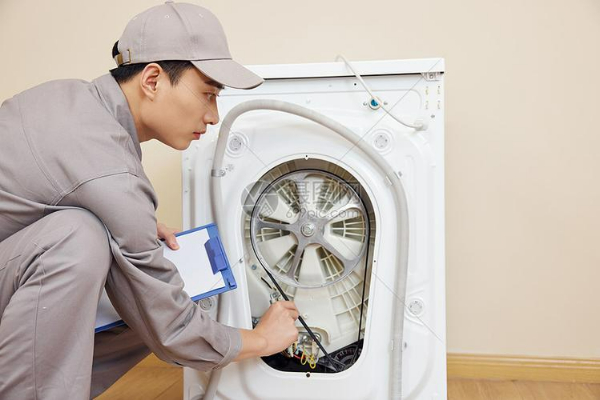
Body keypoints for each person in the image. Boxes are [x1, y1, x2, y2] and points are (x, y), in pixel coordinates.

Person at [0, 2, 299, 399]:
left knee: (131, 272)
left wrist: (124, 225)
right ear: (153, 80)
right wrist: (261, 340)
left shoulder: (69, 99)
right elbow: (169, 323)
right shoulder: (109, 170)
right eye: (208, 94)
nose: (213, 116)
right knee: (87, 244)